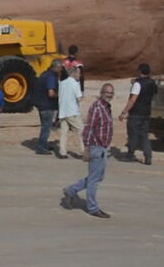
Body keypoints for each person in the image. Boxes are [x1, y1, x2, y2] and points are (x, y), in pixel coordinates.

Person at [63, 83, 115, 218]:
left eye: (111, 93)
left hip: (103, 148)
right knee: (94, 181)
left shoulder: (107, 107)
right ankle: (92, 208)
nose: (109, 95)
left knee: (97, 177)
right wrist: (86, 148)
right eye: (107, 92)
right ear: (101, 93)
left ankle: (71, 190)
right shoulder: (97, 107)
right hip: (96, 147)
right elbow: (89, 128)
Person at [119, 63, 157, 165]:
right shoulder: (152, 83)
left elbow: (133, 100)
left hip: (136, 113)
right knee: (144, 135)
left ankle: (130, 155)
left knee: (133, 135)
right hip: (146, 113)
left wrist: (124, 112)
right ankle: (148, 157)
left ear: (139, 71)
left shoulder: (137, 84)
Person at [32, 59, 63, 154]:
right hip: (46, 105)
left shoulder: (44, 74)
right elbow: (51, 93)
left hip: (41, 104)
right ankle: (41, 147)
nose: (61, 70)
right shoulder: (51, 77)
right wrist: (61, 96)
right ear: (57, 67)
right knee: (46, 127)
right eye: (60, 68)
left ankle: (44, 144)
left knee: (45, 126)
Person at [57, 66, 84, 159]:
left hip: (63, 111)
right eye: (78, 73)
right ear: (74, 73)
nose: (79, 75)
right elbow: (79, 98)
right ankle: (82, 152)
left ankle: (62, 152)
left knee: (64, 132)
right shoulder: (75, 84)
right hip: (72, 111)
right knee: (81, 130)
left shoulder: (62, 83)